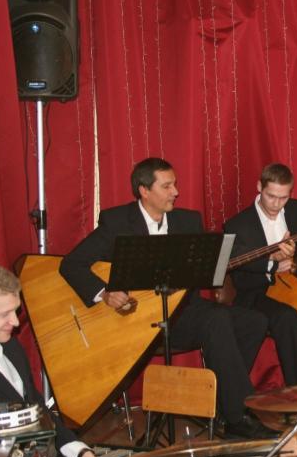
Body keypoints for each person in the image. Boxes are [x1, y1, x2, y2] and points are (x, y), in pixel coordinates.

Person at [59, 158, 274, 440]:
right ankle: (238, 417)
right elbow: (71, 264)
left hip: (184, 310)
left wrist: (269, 254)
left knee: (254, 322)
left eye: (175, 184)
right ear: (144, 191)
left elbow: (220, 255)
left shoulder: (188, 220)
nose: (176, 192)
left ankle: (223, 404)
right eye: (167, 186)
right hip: (137, 318)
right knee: (217, 318)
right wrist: (104, 293)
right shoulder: (117, 222)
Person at [0, 262, 101, 457]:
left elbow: (39, 411)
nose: (16, 322)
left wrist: (82, 453)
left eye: (16, 311)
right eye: (5, 314)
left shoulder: (11, 347)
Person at [223, 163, 297, 385]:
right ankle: (295, 389)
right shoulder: (237, 224)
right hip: (260, 291)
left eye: (283, 197)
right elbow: (239, 277)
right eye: (271, 196)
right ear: (260, 187)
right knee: (287, 318)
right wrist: (272, 263)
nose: (276, 204)